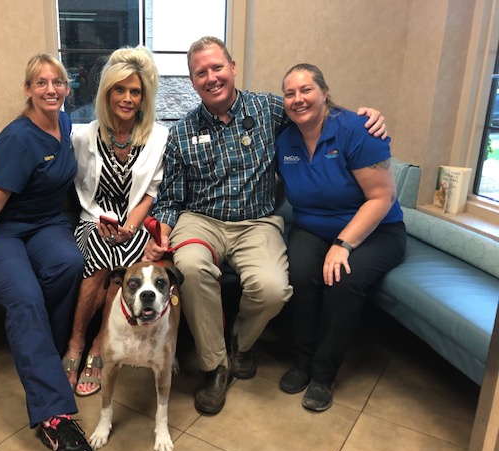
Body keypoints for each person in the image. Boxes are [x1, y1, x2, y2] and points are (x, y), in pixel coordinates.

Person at [143, 36, 387, 416]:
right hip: (201, 221)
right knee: (189, 267)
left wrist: (366, 117)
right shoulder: (182, 133)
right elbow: (172, 198)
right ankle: (215, 366)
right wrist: (161, 234)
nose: (211, 77)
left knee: (273, 289)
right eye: (201, 73)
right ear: (192, 81)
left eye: (217, 67)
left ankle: (240, 342)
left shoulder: (271, 109)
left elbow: (318, 113)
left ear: (233, 67)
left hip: (257, 221)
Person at [0, 54, 97, 451]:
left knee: (68, 263)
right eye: (41, 82)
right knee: (26, 295)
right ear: (27, 89)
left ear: (67, 88)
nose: (51, 89)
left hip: (44, 224)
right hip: (0, 232)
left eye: (58, 82)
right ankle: (55, 417)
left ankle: (42, 357)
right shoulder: (16, 138)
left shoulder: (65, 124)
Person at [275, 63, 406, 412]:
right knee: (299, 273)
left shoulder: (358, 129)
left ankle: (322, 373)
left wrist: (343, 245)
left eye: (306, 90)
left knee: (342, 280)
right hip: (313, 227)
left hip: (376, 230)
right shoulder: (285, 137)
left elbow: (382, 197)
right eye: (290, 93)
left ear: (324, 92)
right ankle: (301, 361)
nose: (298, 99)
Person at [61, 46, 168, 396]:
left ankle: (97, 346)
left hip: (134, 224)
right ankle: (79, 343)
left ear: (144, 96)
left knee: (123, 253)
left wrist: (131, 226)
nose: (127, 98)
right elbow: (48, 165)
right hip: (93, 221)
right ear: (106, 93)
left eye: (135, 91)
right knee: (101, 246)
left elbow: (151, 192)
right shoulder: (82, 136)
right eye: (119, 90)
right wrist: (2, 175)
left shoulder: (158, 138)